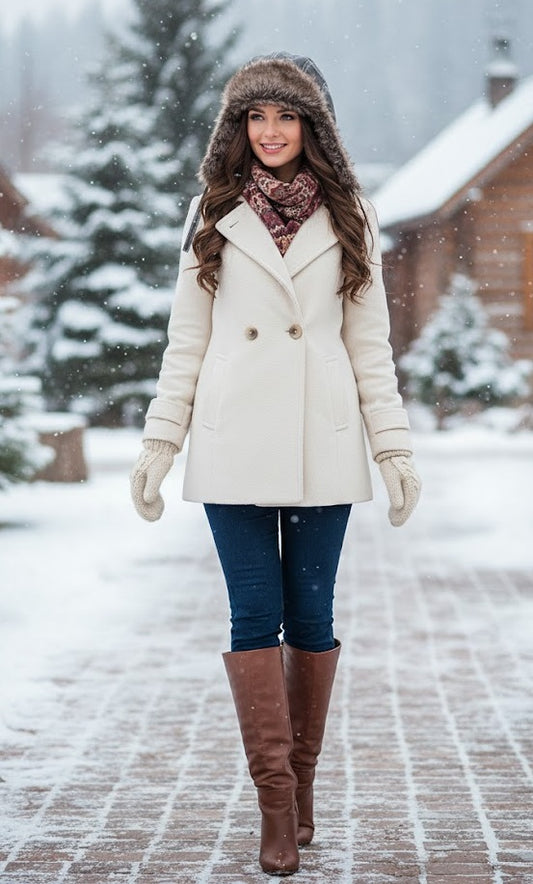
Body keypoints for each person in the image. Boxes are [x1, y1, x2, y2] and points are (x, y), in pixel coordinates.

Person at [130, 52, 421, 876]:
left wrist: (392, 447)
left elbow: (369, 349)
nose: (269, 133)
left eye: (285, 117)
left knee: (312, 621)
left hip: (320, 439)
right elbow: (186, 343)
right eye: (255, 118)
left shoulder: (350, 215)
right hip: (233, 442)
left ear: (311, 127)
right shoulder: (211, 213)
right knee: (254, 617)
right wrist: (161, 442)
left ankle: (303, 789)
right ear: (236, 128)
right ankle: (274, 806)